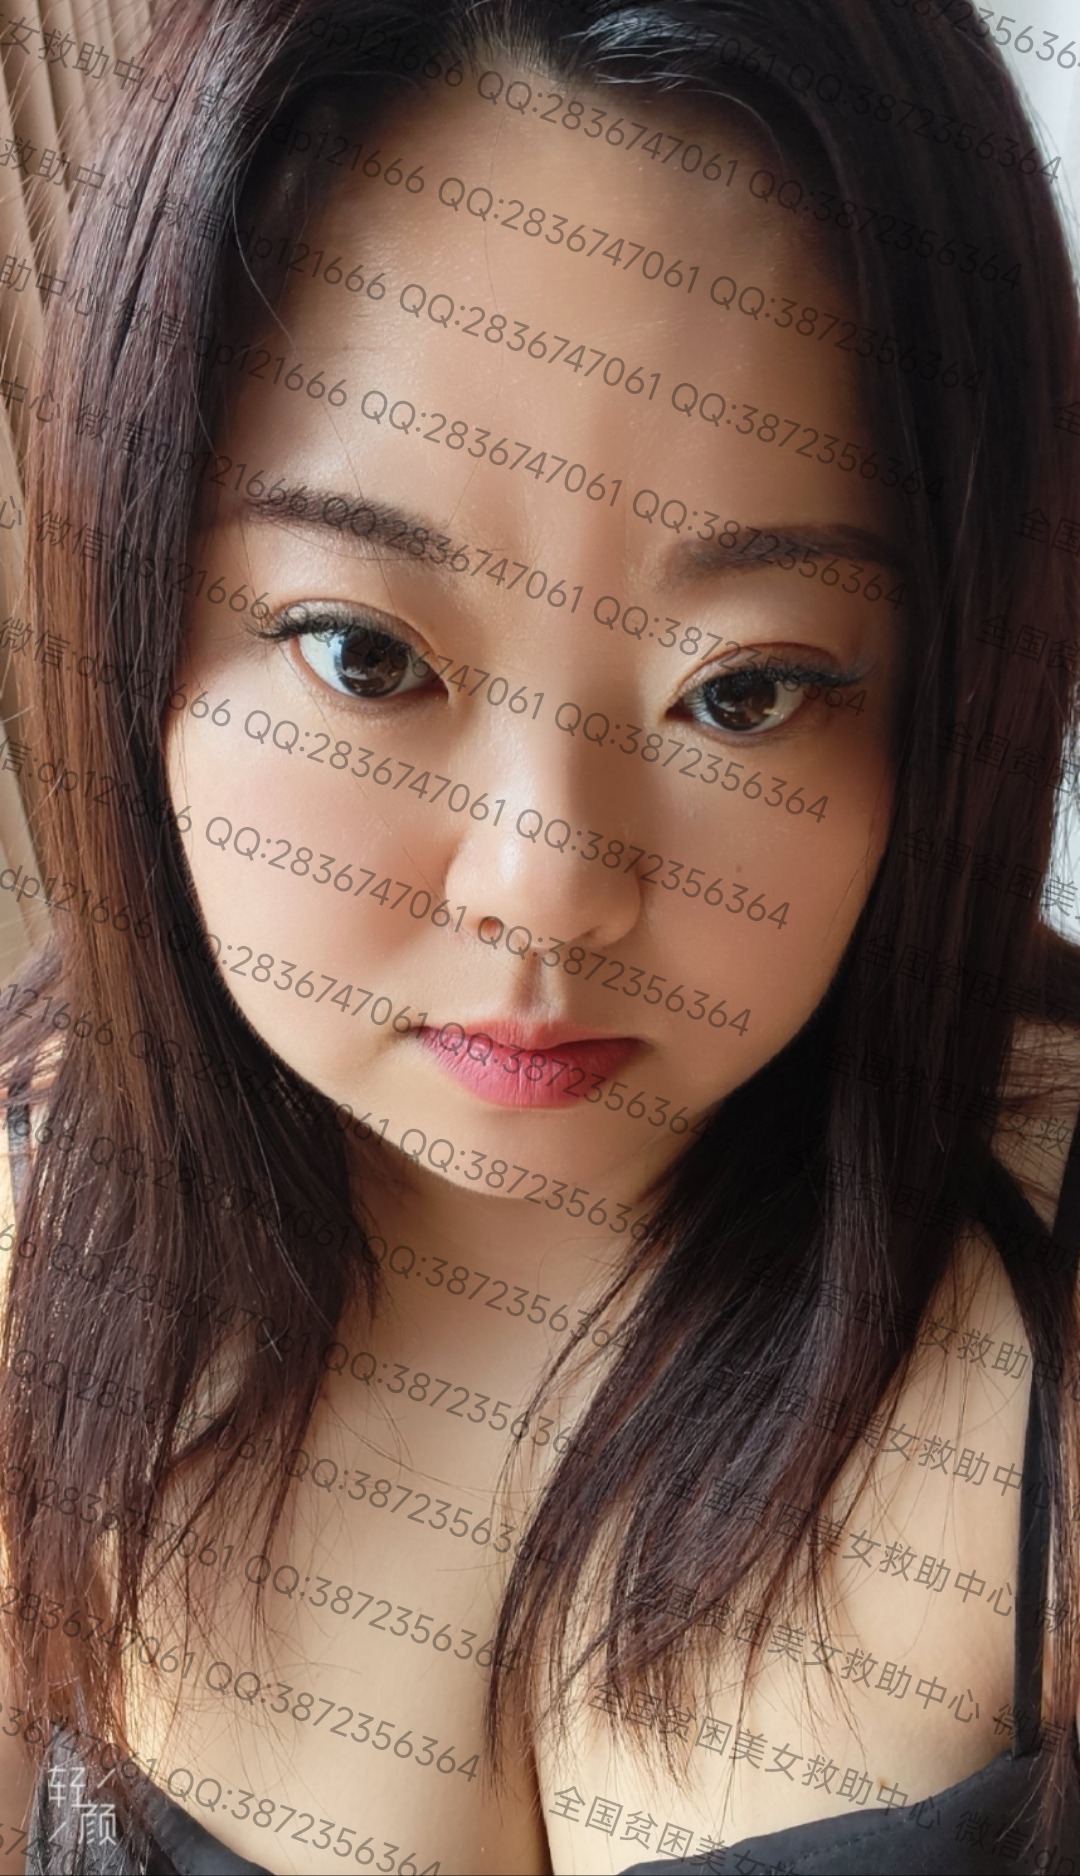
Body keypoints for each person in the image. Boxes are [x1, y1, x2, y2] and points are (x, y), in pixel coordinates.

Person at [0, 0, 1078, 1869]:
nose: (544, 884)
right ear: (138, 614)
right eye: (364, 654)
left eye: (746, 692)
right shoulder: (35, 1246)